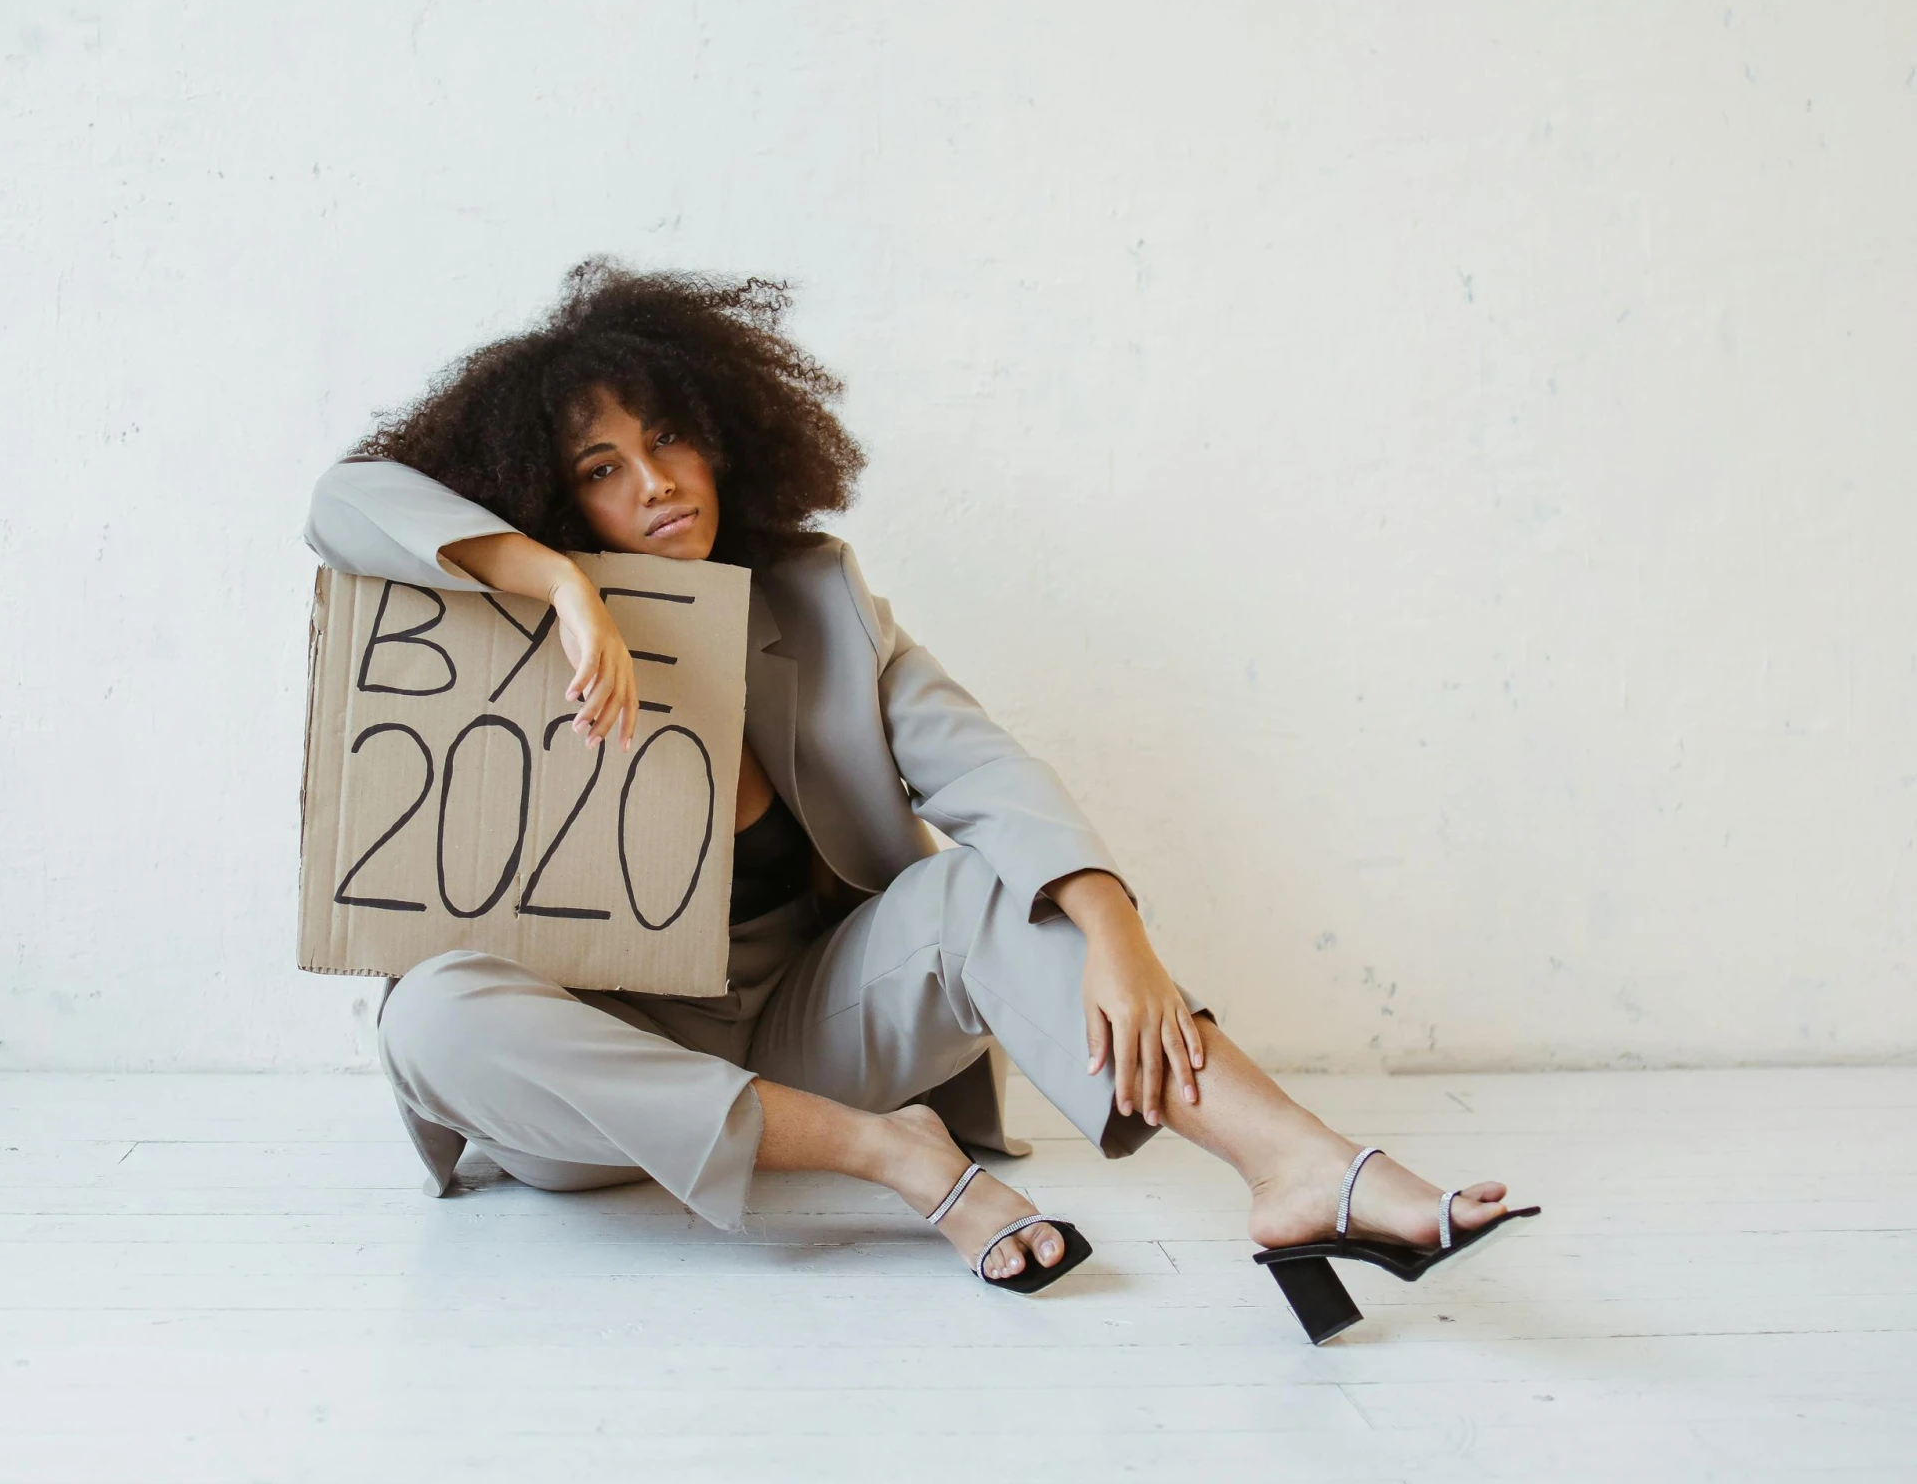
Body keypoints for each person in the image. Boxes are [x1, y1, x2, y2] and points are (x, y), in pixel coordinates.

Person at [303, 258, 1525, 1318]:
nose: (656, 482)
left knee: (983, 891)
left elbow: (977, 763)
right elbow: (342, 501)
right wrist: (560, 591)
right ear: (550, 493)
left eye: (669, 437)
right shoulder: (511, 619)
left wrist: (1114, 926)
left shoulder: (815, 600)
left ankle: (1301, 1166)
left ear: (721, 434)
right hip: (595, 1085)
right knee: (424, 1015)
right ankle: (890, 1155)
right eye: (602, 467)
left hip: (800, 1028)